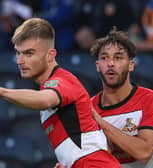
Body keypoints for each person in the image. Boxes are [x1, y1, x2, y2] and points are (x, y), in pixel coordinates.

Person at [0, 18, 121, 168]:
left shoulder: (62, 80)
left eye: (29, 53)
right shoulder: (49, 86)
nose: (20, 61)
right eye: (18, 53)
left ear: (50, 55)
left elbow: (45, 100)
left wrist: (2, 92)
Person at [90, 27, 153, 168]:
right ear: (97, 66)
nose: (111, 63)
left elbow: (144, 152)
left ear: (131, 65)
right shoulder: (89, 107)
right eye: (104, 58)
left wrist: (100, 122)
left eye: (118, 57)